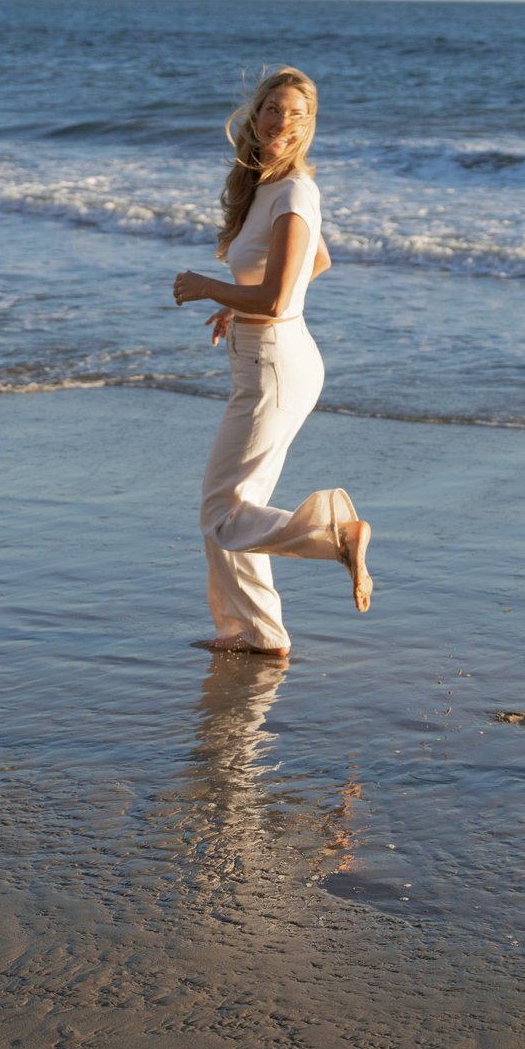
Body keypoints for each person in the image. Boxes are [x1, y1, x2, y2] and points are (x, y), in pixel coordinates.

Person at [172, 67, 374, 658]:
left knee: (220, 511)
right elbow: (319, 263)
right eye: (273, 109)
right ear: (255, 115)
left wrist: (213, 288)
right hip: (263, 360)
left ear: (307, 127)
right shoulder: (266, 187)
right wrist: (239, 305)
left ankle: (338, 535)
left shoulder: (295, 192)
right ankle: (257, 634)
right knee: (231, 506)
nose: (282, 122)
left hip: (275, 368)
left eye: (296, 114)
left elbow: (280, 299)